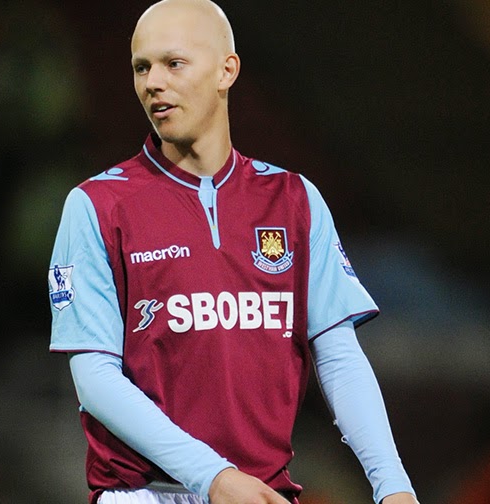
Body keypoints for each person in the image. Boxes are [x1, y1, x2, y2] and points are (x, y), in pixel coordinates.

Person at [48, 1, 419, 503]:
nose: (153, 82)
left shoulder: (294, 200)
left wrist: (392, 485)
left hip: (260, 494)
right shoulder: (97, 205)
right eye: (141, 67)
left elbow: (338, 356)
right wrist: (213, 476)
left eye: (173, 63)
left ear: (227, 70)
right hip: (144, 493)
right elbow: (94, 379)